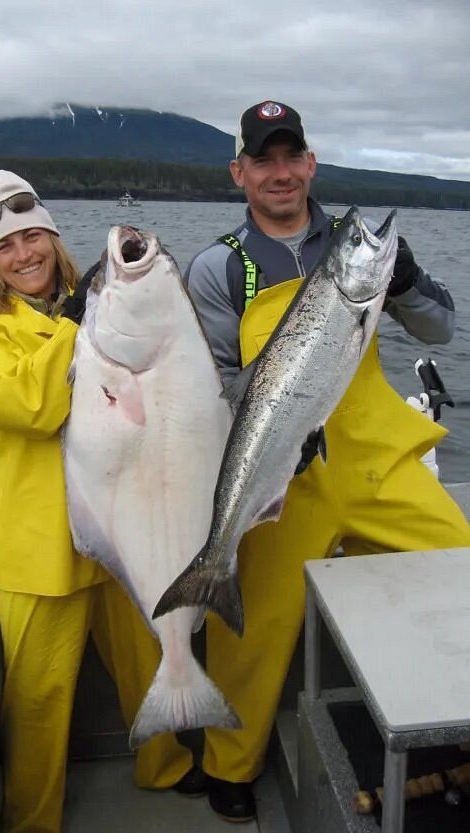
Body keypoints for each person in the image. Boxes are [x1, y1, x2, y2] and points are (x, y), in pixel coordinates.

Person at [172, 100, 470, 821]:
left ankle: (448, 731)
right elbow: (211, 383)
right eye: (263, 160)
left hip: (376, 461)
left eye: (291, 157)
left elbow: (442, 326)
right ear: (239, 171)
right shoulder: (219, 267)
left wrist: (402, 282)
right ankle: (229, 763)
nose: (279, 173)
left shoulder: (358, 245)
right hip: (285, 470)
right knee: (250, 627)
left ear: (310, 164)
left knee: (456, 565)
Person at [0, 170, 193, 833]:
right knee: (36, 700)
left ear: (54, 239)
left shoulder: (104, 306)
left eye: (33, 236)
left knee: (151, 662)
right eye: (5, 247)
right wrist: (74, 325)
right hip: (40, 550)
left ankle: (165, 766)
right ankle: (34, 821)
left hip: (125, 526)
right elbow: (30, 405)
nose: (23, 254)